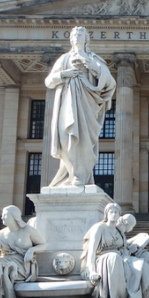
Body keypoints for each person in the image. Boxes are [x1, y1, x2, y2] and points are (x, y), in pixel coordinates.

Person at [45, 27, 117, 188]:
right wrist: (64, 74)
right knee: (66, 138)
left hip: (87, 105)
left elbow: (110, 82)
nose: (77, 37)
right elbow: (48, 82)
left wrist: (89, 63)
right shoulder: (64, 59)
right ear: (70, 39)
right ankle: (71, 176)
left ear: (87, 39)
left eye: (80, 35)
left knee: (83, 141)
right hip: (68, 101)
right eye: (74, 35)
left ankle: (79, 176)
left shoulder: (93, 58)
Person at [81, 202, 149, 298]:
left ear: (119, 215)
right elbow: (91, 251)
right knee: (114, 258)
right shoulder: (99, 228)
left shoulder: (119, 232)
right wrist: (91, 270)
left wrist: (133, 248)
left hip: (120, 257)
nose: (113, 214)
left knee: (140, 264)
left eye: (116, 212)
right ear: (106, 214)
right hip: (103, 258)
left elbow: (124, 250)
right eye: (111, 212)